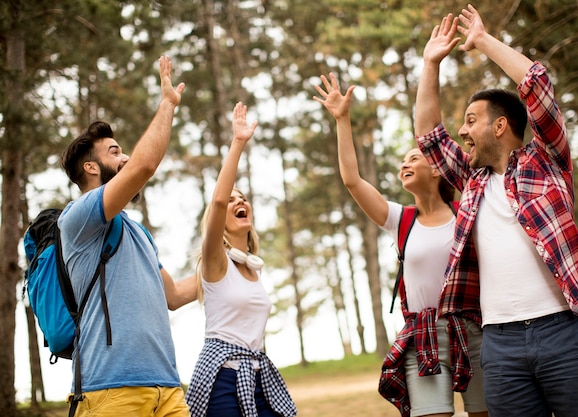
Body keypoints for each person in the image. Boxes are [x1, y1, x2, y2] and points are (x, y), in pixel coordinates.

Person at [414, 6, 578, 416]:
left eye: (471, 121)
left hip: (564, 332)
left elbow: (536, 84)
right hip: (500, 346)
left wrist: (484, 41)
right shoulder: (472, 183)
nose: (463, 131)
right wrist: (429, 64)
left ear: (501, 126)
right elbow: (428, 136)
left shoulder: (546, 160)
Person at [313, 72, 488, 417]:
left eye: (414, 158)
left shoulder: (465, 210)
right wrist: (342, 120)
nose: (405, 164)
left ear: (438, 169)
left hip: (474, 330)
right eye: (403, 161)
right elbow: (352, 179)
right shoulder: (400, 220)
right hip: (423, 333)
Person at [58, 56, 197, 417]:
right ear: (91, 167)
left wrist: (227, 265)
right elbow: (145, 166)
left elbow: (176, 295)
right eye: (115, 152)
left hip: (167, 388)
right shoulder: (79, 218)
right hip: (111, 390)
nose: (127, 158)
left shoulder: (138, 233)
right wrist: (167, 104)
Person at [185, 102, 297, 417]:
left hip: (258, 374)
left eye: (243, 198)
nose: (239, 201)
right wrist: (238, 143)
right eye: (233, 200)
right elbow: (218, 200)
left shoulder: (253, 266)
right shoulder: (215, 261)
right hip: (221, 378)